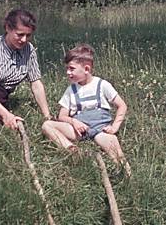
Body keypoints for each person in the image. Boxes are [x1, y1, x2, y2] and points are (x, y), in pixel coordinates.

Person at [41, 44, 131, 176]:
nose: (68, 72)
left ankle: (127, 177)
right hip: (80, 130)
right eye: (67, 69)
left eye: (71, 69)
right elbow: (62, 116)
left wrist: (114, 127)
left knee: (116, 154)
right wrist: (74, 122)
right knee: (47, 125)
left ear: (86, 69)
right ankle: (72, 150)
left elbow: (122, 105)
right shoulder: (71, 90)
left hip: (101, 129)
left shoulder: (102, 85)